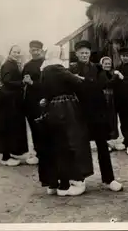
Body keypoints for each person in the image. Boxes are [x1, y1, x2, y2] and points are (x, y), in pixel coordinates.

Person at [36, 52, 94, 196]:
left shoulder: (43, 71)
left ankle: (55, 182)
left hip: (52, 109)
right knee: (73, 141)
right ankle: (76, 180)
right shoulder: (59, 69)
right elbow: (79, 84)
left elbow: (44, 92)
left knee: (54, 145)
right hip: (67, 108)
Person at [69, 41, 123, 192]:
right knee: (80, 147)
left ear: (90, 54)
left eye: (87, 52)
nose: (84, 55)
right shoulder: (71, 69)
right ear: (77, 54)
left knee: (102, 146)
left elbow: (103, 85)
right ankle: (80, 179)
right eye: (81, 53)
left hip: (97, 112)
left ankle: (109, 179)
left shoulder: (97, 68)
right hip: (80, 113)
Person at [0, 45, 29, 166]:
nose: (16, 54)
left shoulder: (13, 64)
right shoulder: (7, 65)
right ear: (10, 52)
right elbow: (7, 81)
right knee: (6, 126)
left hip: (12, 99)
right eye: (14, 52)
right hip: (7, 100)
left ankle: (9, 154)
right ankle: (5, 157)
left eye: (18, 52)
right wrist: (22, 82)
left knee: (11, 127)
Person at [21, 40, 45, 166]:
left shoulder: (46, 63)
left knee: (44, 128)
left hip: (44, 101)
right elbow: (23, 80)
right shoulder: (27, 65)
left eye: (37, 50)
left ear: (41, 50)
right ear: (30, 51)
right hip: (30, 101)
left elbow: (49, 83)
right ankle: (37, 153)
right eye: (32, 50)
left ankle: (46, 154)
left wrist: (32, 83)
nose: (35, 52)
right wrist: (25, 81)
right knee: (34, 128)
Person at [98, 56, 122, 151]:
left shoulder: (109, 73)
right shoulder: (101, 74)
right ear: (102, 64)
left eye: (109, 63)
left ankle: (111, 141)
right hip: (105, 97)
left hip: (111, 97)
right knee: (107, 119)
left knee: (112, 118)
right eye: (105, 64)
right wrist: (116, 76)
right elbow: (108, 84)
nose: (108, 65)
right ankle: (107, 142)